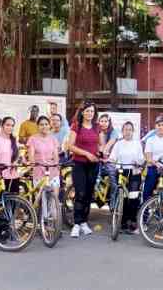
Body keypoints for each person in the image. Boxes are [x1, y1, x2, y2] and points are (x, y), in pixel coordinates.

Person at [67, 102, 101, 238]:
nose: (89, 114)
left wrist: (100, 154)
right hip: (79, 164)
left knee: (88, 194)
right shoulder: (76, 126)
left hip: (94, 164)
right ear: (82, 112)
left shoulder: (97, 127)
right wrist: (86, 154)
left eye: (92, 111)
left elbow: (99, 144)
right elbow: (70, 146)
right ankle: (76, 223)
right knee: (80, 193)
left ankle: (84, 222)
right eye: (87, 111)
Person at [108, 121, 145, 234]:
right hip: (121, 171)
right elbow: (112, 158)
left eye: (130, 129)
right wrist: (110, 162)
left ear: (133, 131)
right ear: (122, 131)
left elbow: (141, 159)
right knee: (122, 197)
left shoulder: (137, 143)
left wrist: (138, 162)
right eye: (125, 129)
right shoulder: (118, 144)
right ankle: (122, 222)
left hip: (134, 172)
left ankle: (133, 222)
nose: (127, 131)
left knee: (133, 198)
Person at [27, 116, 60, 195]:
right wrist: (33, 163)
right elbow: (31, 156)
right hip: (39, 171)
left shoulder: (53, 139)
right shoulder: (32, 139)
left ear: (49, 125)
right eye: (41, 124)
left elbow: (56, 156)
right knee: (41, 200)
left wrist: (57, 165)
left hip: (52, 171)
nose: (44, 126)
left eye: (46, 124)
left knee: (54, 199)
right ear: (38, 126)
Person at [0, 117, 22, 192]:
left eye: (12, 126)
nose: (10, 128)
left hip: (14, 177)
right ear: (2, 126)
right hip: (0, 176)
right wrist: (0, 164)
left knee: (13, 201)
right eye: (8, 125)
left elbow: (20, 157)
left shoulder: (14, 141)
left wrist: (17, 162)